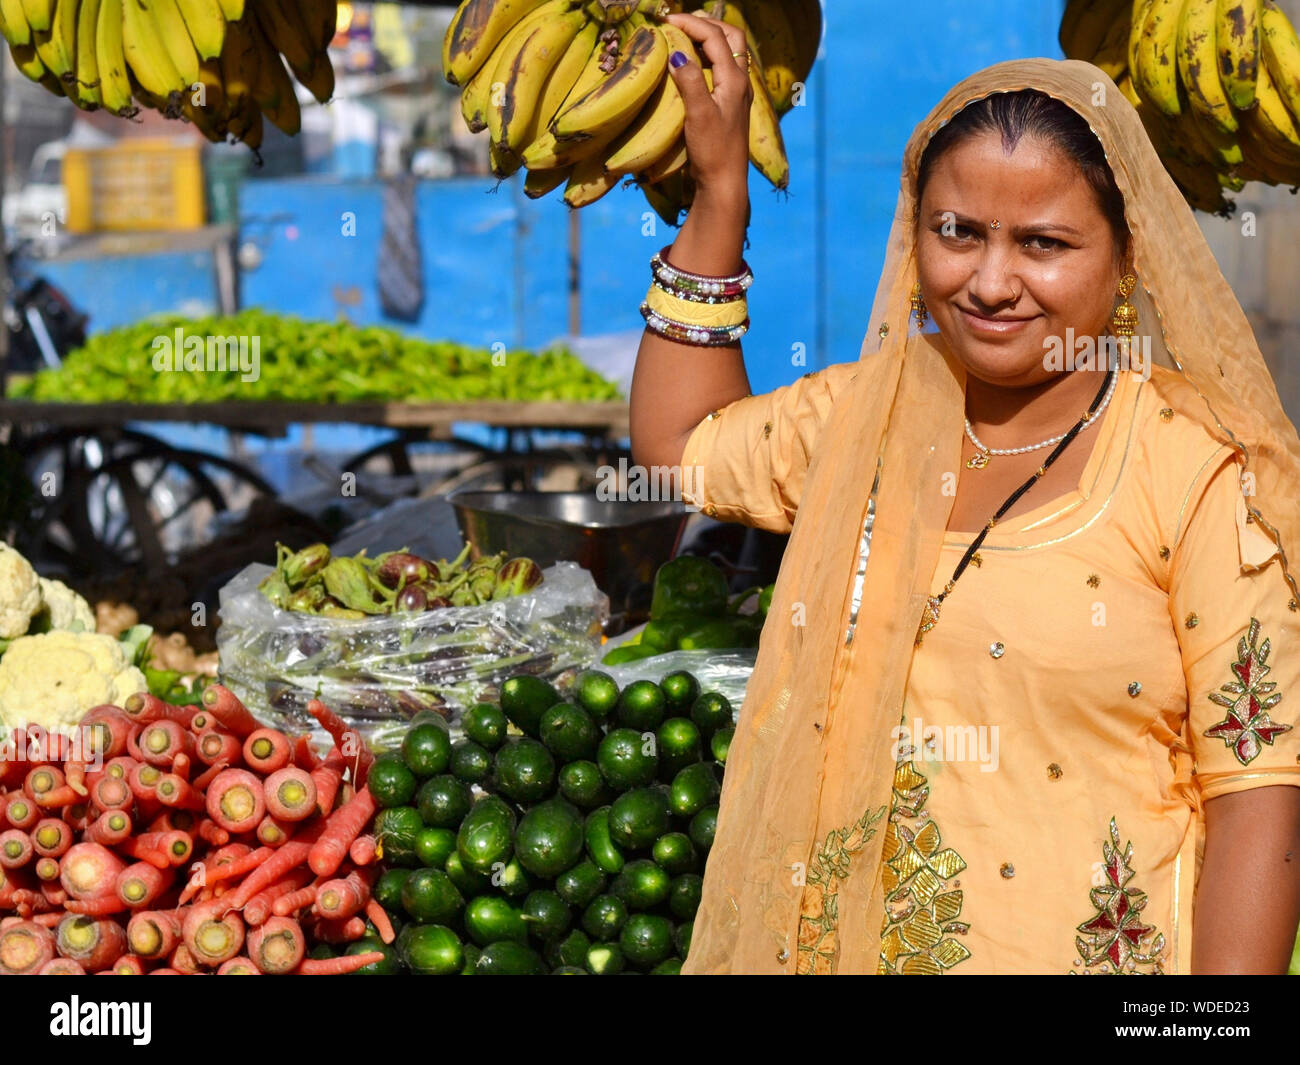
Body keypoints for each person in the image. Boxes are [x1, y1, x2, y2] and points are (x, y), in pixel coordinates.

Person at [633, 12, 1300, 975]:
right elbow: (681, 448)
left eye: (1044, 243)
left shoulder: (1193, 469)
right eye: (957, 232)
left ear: (1125, 258)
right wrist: (719, 198)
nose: (992, 281)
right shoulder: (867, 415)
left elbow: (1258, 797)